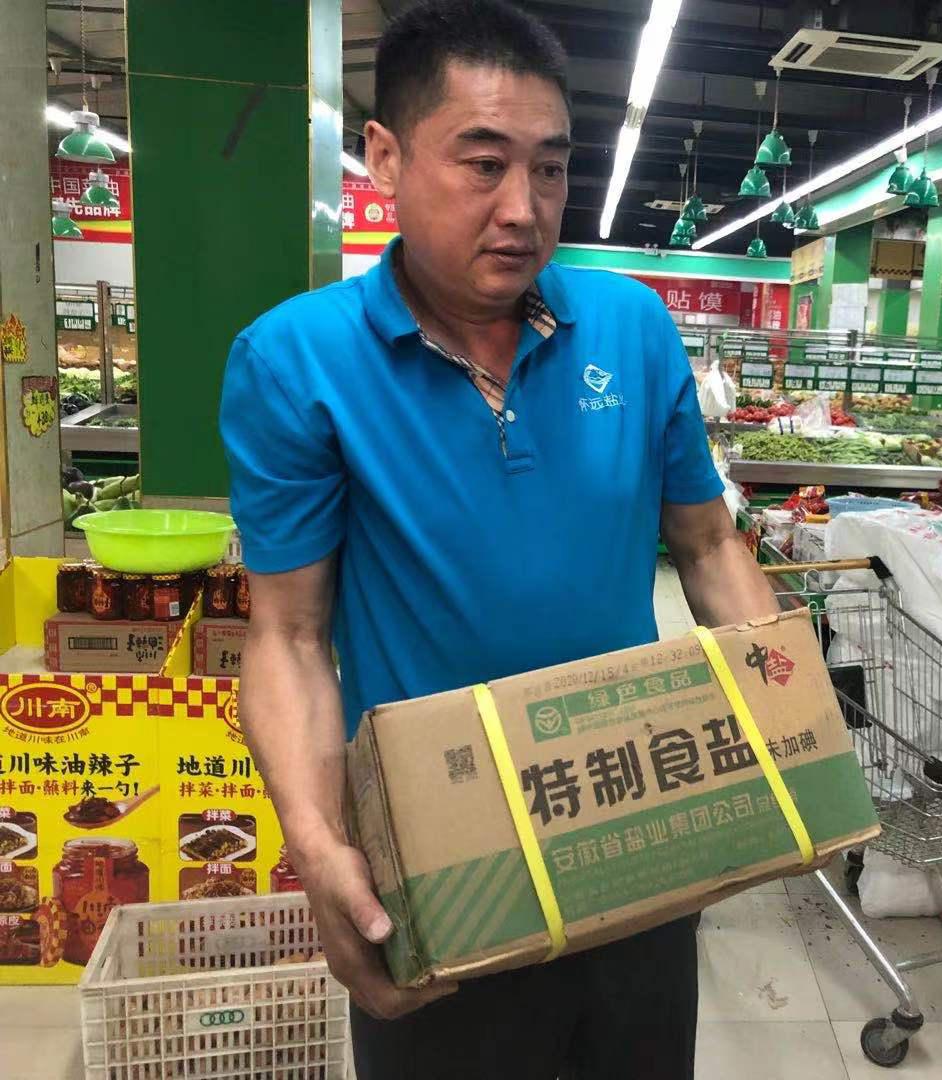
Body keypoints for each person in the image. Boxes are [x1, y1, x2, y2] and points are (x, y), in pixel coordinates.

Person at [218, 1, 780, 1076]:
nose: (523, 208)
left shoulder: (632, 329)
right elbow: (288, 635)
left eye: (551, 169)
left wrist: (788, 719)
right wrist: (318, 841)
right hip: (442, 861)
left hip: (635, 824)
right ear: (386, 156)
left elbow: (711, 548)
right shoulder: (297, 363)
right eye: (483, 164)